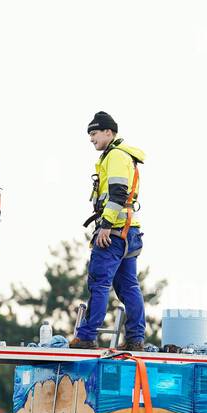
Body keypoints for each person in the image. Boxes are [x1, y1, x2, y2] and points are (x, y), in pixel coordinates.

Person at [70, 111, 147, 350]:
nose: (91, 138)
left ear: (108, 132)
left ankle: (86, 335)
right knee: (129, 287)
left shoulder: (114, 156)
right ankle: (135, 339)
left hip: (113, 233)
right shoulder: (125, 157)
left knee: (99, 283)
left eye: (94, 133)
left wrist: (105, 226)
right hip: (130, 232)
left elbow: (117, 194)